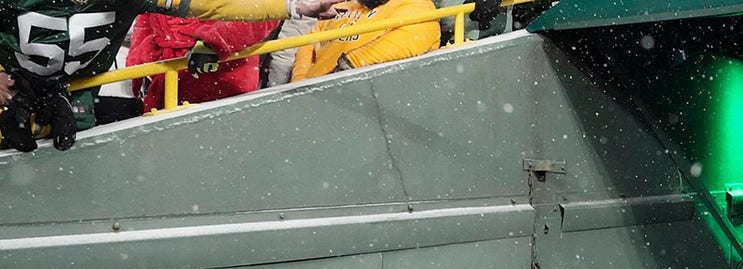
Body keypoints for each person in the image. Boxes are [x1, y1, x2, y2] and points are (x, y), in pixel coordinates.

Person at [0, 0, 339, 152]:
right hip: (13, 88)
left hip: (72, 93)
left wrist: (294, 6)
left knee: (67, 166)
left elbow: (217, 6)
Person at [126, 14, 276, 112]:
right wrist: (138, 61)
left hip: (219, 79)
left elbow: (265, 12)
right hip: (163, 77)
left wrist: (215, 42)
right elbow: (147, 18)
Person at [289, 0, 439, 82]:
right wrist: (300, 81)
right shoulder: (345, 6)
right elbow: (309, 41)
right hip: (310, 93)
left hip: (352, 94)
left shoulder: (418, 6)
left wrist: (338, 75)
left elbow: (403, 42)